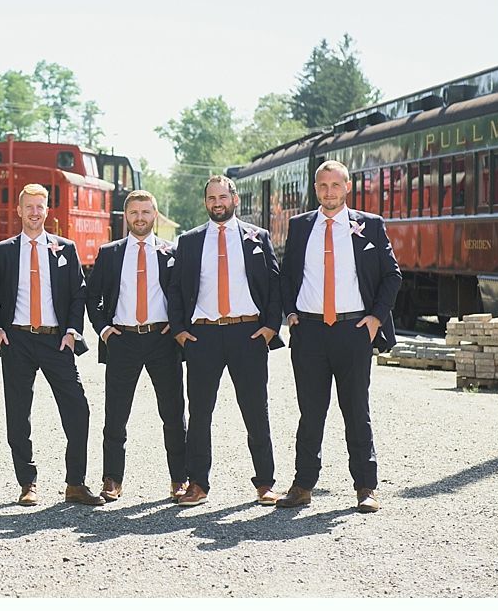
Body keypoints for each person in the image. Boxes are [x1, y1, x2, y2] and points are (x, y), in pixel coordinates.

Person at [275, 160, 401, 513]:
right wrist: (291, 314)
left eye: (335, 186)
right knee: (310, 413)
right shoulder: (300, 226)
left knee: (356, 410)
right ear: (316, 190)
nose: (329, 193)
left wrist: (376, 318)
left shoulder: (369, 225)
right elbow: (285, 276)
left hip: (354, 330)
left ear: (348, 187)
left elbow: (392, 276)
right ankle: (302, 486)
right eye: (322, 186)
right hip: (310, 331)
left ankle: (365, 487)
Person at [167, 175, 284, 507]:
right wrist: (179, 330)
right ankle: (197, 484)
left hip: (247, 334)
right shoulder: (189, 241)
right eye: (211, 198)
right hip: (202, 335)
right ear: (205, 203)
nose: (217, 203)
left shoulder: (257, 237)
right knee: (201, 412)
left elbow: (275, 286)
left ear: (235, 200)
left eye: (223, 197)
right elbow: (175, 289)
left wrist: (270, 327)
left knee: (255, 411)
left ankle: (265, 483)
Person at [0, 184, 105, 507]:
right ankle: (27, 483)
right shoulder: (3, 251)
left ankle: (75, 483)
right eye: (29, 206)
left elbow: (77, 294)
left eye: (40, 206)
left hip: (57, 341)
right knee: (18, 414)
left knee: (78, 410)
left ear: (47, 210)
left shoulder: (64, 249)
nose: (35, 212)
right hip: (17, 339)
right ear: (19, 210)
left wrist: (72, 331)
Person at [85, 190, 188, 503]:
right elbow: (93, 297)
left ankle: (179, 480)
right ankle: (112, 480)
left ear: (154, 215)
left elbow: (186, 292)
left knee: (173, 414)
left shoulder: (172, 253)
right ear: (126, 217)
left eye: (145, 212)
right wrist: (103, 329)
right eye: (134, 213)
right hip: (123, 340)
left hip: (162, 340)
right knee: (115, 416)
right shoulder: (111, 253)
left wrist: (177, 323)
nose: (140, 218)